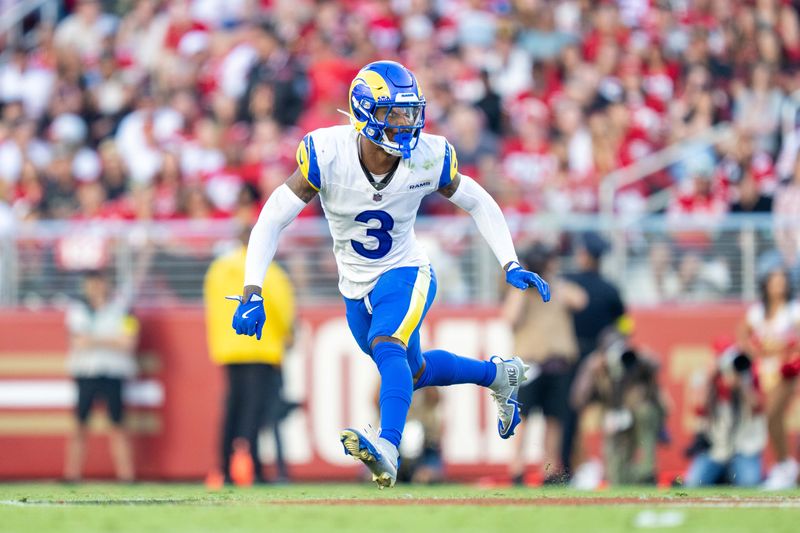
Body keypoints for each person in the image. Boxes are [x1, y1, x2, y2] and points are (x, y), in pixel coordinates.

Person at [229, 60, 550, 489]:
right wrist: (252, 289)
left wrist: (509, 261)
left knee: (388, 346)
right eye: (393, 113)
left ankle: (389, 446)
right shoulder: (327, 154)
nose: (406, 122)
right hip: (354, 284)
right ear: (364, 113)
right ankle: (498, 375)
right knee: (412, 372)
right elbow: (271, 217)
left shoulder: (429, 156)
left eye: (409, 111)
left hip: (406, 270)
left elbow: (478, 201)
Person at [205, 227, 295, 484]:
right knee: (255, 413)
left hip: (230, 349)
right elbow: (281, 309)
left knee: (232, 409)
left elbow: (213, 307)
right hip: (261, 348)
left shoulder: (219, 269)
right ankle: (252, 468)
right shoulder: (271, 272)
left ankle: (223, 468)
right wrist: (287, 335)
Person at [504, 243, 586, 484]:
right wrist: (524, 285)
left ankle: (549, 469)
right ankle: (516, 468)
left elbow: (580, 300)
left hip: (557, 364)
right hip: (530, 364)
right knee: (522, 418)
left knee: (554, 420)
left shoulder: (557, 287)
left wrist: (550, 280)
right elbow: (509, 318)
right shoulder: (519, 292)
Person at [561, 232, 626, 477]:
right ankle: (615, 469)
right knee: (614, 411)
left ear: (585, 255)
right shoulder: (611, 289)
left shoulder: (568, 281)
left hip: (572, 356)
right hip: (603, 358)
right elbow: (624, 326)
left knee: (569, 415)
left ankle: (566, 470)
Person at [63, 269, 137, 483]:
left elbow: (128, 342)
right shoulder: (77, 310)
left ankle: (126, 476)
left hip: (113, 372)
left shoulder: (123, 309)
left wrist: (93, 340)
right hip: (86, 372)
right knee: (79, 424)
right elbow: (77, 342)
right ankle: (71, 475)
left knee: (118, 424)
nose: (95, 288)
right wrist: (111, 340)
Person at [571, 328, 666, 486]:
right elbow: (577, 399)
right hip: (615, 419)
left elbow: (656, 365)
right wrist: (591, 372)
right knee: (617, 478)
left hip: (639, 415)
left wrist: (640, 357)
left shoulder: (635, 360)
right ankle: (634, 478)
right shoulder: (596, 366)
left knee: (645, 412)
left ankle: (647, 472)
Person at [738, 267, 800, 490]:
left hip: (786, 371)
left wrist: (785, 349)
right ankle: (785, 465)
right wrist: (757, 351)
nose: (779, 285)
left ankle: (785, 466)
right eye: (775, 281)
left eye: (782, 281)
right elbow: (743, 335)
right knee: (771, 419)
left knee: (773, 415)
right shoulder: (757, 313)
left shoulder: (793, 310)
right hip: (764, 372)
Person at [684, 345, 766, 488]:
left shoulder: (749, 376)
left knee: (750, 483)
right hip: (716, 450)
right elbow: (699, 407)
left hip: (743, 449)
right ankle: (721, 478)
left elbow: (757, 407)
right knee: (693, 483)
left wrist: (742, 383)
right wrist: (711, 378)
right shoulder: (710, 381)